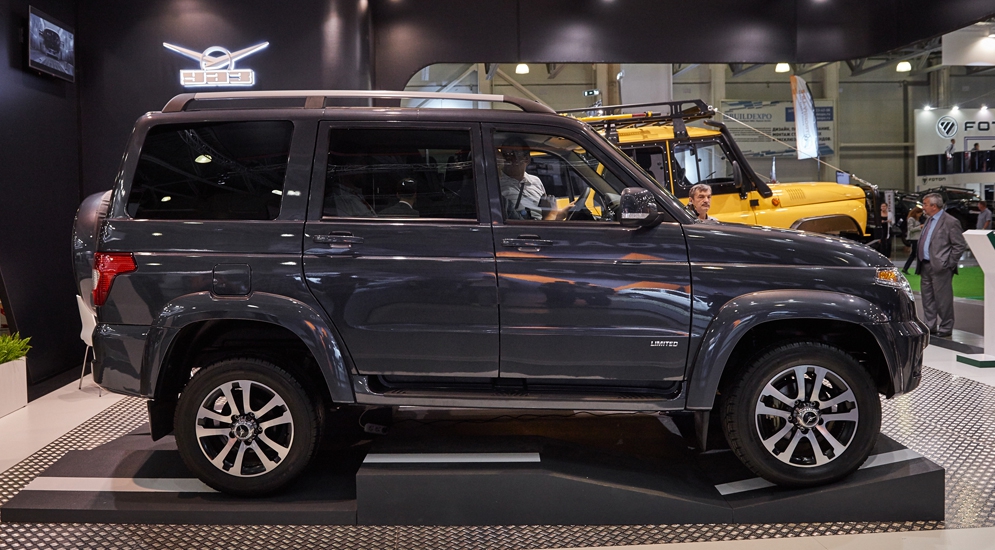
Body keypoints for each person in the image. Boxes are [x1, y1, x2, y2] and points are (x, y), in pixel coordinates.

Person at [917, 193, 967, 337]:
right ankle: (930, 325)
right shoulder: (929, 220)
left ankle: (946, 327)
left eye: (925, 204)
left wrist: (949, 263)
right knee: (927, 298)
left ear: (934, 206)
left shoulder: (951, 222)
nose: (923, 207)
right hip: (925, 265)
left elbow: (959, 245)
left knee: (943, 300)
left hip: (941, 267)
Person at [902, 206, 923, 274]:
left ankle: (907, 268)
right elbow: (911, 229)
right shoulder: (911, 219)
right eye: (919, 214)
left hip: (917, 238)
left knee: (914, 254)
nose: (920, 215)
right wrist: (920, 227)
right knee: (915, 254)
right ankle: (916, 270)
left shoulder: (916, 219)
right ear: (916, 213)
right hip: (914, 238)